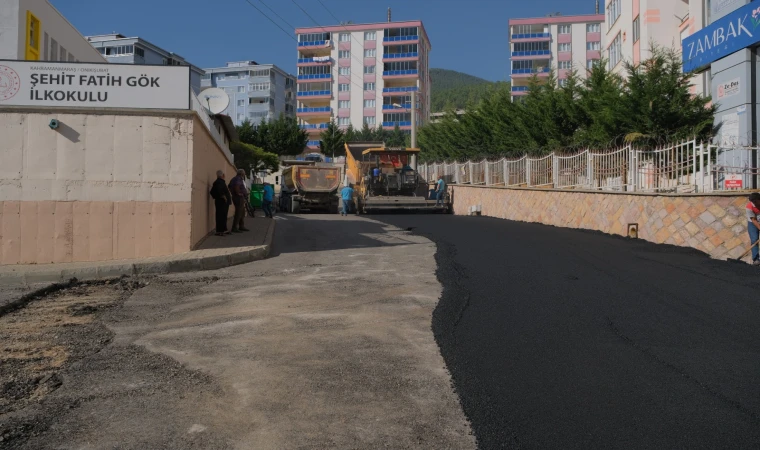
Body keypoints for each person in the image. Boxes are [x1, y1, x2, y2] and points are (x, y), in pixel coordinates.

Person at [209, 170, 232, 236]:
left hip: (222, 202)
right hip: (222, 202)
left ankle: (224, 229)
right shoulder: (219, 182)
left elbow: (212, 191)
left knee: (224, 216)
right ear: (223, 175)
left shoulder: (219, 182)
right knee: (220, 216)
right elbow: (219, 190)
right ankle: (219, 231)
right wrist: (223, 196)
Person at [746, 192, 760, 265]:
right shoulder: (749, 207)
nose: (753, 203)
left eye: (755, 201)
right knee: (754, 240)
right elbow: (754, 220)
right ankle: (756, 259)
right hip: (752, 223)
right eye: (752, 202)